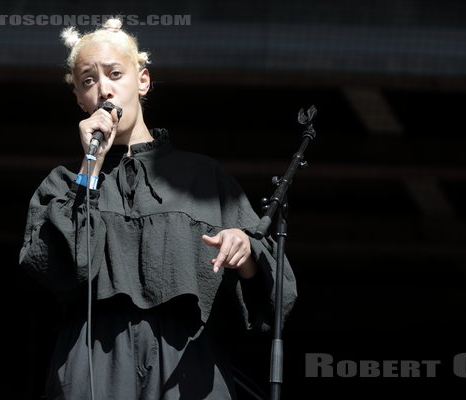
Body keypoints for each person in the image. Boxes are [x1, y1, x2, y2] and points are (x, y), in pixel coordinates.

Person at [19, 17, 297, 400]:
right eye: (88, 81)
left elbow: (274, 289)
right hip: (95, 362)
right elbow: (53, 268)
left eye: (115, 73)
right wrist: (91, 167)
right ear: (80, 100)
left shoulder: (201, 177)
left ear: (143, 81)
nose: (103, 90)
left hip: (187, 366)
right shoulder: (64, 184)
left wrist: (245, 252)